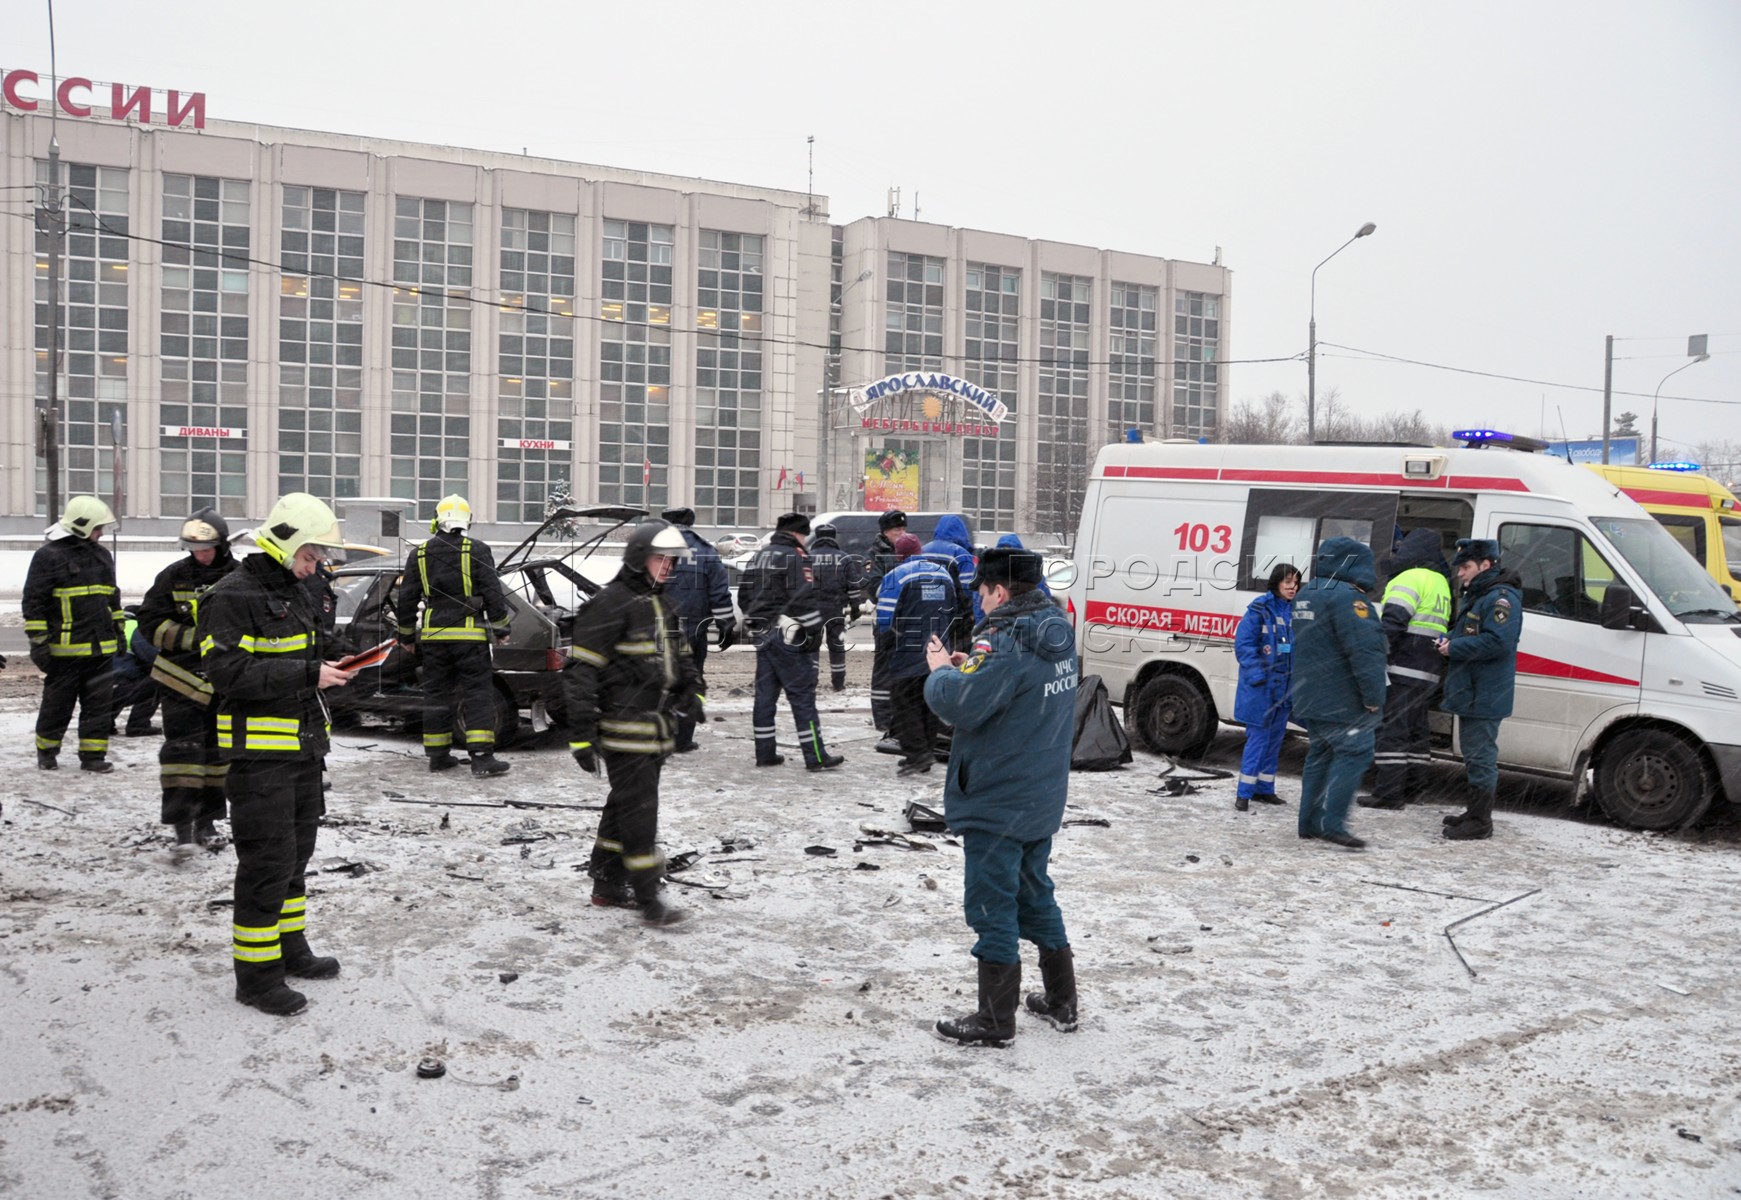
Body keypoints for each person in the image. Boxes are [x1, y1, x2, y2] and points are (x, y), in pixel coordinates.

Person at [196, 492, 356, 1015]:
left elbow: (299, 656)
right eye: (310, 556)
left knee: (295, 858)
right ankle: (257, 979)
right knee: (266, 864)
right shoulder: (231, 595)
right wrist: (309, 673)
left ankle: (291, 951)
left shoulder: (297, 591)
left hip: (304, 748)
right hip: (259, 759)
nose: (315, 567)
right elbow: (226, 675)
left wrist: (334, 664)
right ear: (283, 543)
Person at [924, 547, 1080, 1047]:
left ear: (1001, 591)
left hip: (999, 797)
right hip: (1039, 794)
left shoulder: (1005, 643)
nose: (980, 603)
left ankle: (995, 1020)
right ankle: (1061, 1000)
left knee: (992, 905)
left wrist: (940, 672)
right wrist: (971, 669)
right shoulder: (1054, 633)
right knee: (1035, 894)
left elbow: (958, 705)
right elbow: (1015, 692)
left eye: (983, 592)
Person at [563, 520, 703, 926]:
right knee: (641, 813)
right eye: (661, 558)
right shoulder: (610, 604)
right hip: (625, 731)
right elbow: (580, 672)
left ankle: (607, 883)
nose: (669, 566)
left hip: (656, 730)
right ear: (640, 558)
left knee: (623, 806)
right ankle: (648, 898)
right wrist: (580, 735)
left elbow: (684, 660)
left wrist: (693, 693)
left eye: (672, 559)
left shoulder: (665, 605)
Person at [138, 509, 238, 857]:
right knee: (183, 755)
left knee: (216, 757)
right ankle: (182, 828)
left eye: (208, 548)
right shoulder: (172, 577)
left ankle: (207, 821)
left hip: (223, 685)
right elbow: (149, 625)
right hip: (179, 681)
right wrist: (197, 639)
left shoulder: (240, 577)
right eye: (195, 549)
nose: (200, 555)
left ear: (222, 545)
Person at [395, 494, 512, 777]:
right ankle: (482, 759)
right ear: (467, 521)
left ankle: (438, 756)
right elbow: (493, 592)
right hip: (470, 639)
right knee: (477, 696)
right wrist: (501, 628)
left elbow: (407, 599)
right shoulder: (478, 550)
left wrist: (407, 637)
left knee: (436, 695)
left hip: (434, 638)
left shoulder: (419, 554)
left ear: (437, 520)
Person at [1289, 537, 1388, 850]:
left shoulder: (1308, 593)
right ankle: (1333, 824)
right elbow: (1365, 653)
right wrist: (1374, 697)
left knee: (1320, 753)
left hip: (1311, 694)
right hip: (1342, 699)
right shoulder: (1349, 600)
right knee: (1355, 752)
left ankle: (1309, 822)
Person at [738, 512, 845, 770]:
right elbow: (804, 598)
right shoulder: (796, 557)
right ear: (798, 533)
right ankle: (816, 757)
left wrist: (757, 622)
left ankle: (764, 753)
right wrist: (811, 634)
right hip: (790, 636)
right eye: (804, 535)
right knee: (802, 697)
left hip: (764, 635)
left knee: (765, 697)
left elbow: (744, 596)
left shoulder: (759, 555)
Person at [24, 496, 123, 772]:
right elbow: (34, 604)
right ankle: (47, 751)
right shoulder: (48, 557)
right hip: (63, 651)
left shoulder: (102, 556)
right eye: (97, 527)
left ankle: (93, 757)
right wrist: (39, 644)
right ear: (82, 525)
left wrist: (118, 631)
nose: (101, 533)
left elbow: (112, 598)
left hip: (100, 650)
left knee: (98, 707)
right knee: (57, 706)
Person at [1359, 530, 1453, 810]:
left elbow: (1393, 622)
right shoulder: (1440, 581)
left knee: (1393, 732)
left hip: (1403, 667)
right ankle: (1415, 788)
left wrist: (1376, 656)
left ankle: (1388, 793)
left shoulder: (1409, 578)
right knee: (1417, 732)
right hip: (1429, 670)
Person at [1438, 538, 1524, 841]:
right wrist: (1450, 638)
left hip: (1485, 693)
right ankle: (1473, 813)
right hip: (1476, 690)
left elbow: (1497, 642)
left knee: (1481, 755)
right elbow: (1471, 632)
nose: (1461, 573)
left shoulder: (1500, 598)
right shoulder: (1481, 594)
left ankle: (1480, 822)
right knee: (1474, 755)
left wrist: (1455, 647)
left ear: (1486, 565)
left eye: (1466, 567)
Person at [877, 533, 957, 776]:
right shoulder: (943, 574)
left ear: (899, 555)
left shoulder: (897, 576)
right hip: (937, 649)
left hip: (908, 652)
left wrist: (887, 645)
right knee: (929, 702)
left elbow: (884, 620)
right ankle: (927, 750)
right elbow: (954, 610)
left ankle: (917, 754)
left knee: (904, 704)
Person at [660, 506, 736, 750]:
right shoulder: (706, 551)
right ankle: (682, 739)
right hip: (694, 631)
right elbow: (719, 593)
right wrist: (727, 626)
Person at [1232, 562, 1299, 811]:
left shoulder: (1293, 611)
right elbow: (1244, 645)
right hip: (1262, 688)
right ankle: (1244, 794)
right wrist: (1259, 675)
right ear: (1277, 583)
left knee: (1274, 739)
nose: (1293, 587)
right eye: (1288, 582)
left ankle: (1265, 789)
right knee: (1258, 740)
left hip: (1283, 686)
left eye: (1296, 583)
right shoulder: (1260, 609)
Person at [865, 509, 907, 736]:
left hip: (907, 620)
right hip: (885, 620)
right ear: (885, 532)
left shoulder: (907, 550)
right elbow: (872, 586)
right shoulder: (875, 554)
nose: (900, 533)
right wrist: (901, 588)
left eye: (902, 529)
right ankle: (881, 717)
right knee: (883, 668)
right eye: (895, 530)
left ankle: (898, 714)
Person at [806, 522, 859, 693]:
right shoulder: (844, 558)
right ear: (834, 537)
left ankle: (811, 681)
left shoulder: (807, 557)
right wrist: (855, 607)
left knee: (811, 646)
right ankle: (838, 682)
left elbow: (799, 585)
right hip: (836, 608)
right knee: (836, 645)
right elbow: (853, 586)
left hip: (812, 609)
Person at [921, 514, 978, 639]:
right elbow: (969, 587)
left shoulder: (922, 550)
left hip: (926, 612)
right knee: (956, 653)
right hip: (956, 615)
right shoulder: (960, 553)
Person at [111, 607, 163, 738]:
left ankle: (104, 725)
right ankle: (138, 725)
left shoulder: (110, 627)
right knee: (156, 682)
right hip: (124, 680)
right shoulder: (135, 627)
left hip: (100, 680)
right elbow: (150, 656)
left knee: (110, 697)